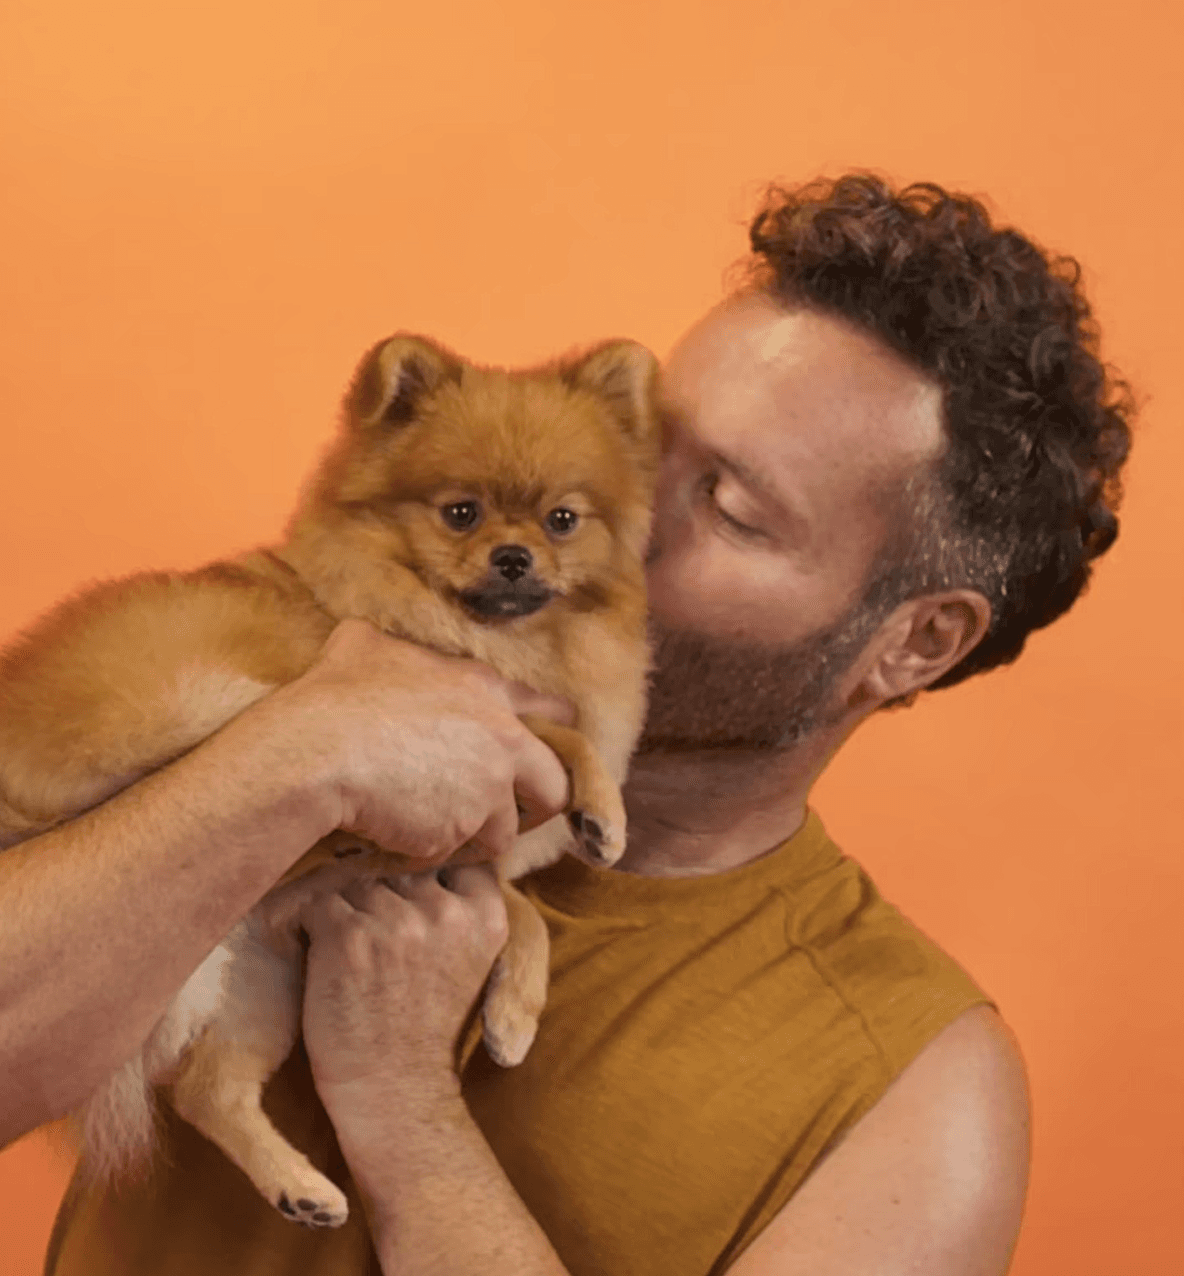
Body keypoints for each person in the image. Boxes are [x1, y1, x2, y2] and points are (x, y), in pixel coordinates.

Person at [2, 174, 1131, 1275]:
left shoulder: (912, 1094)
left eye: (730, 509)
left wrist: (402, 1101)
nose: (620, 514)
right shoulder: (258, 691)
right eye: (641, 448)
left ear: (913, 644)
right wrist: (293, 760)